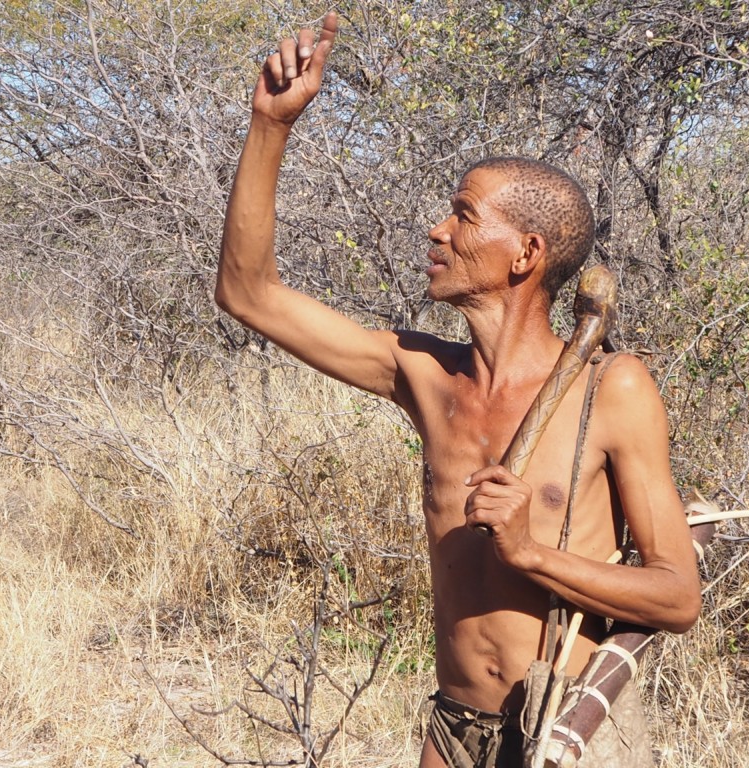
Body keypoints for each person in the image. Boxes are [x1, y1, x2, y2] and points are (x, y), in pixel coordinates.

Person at [216, 13, 701, 768]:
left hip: (566, 733)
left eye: (464, 216)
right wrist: (270, 124)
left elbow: (676, 597)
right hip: (452, 729)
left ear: (525, 255)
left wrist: (530, 553)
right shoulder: (421, 374)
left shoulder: (615, 389)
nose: (436, 231)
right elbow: (249, 293)